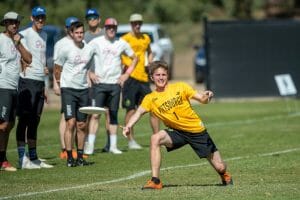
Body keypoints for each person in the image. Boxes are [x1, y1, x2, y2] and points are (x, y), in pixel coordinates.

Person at [122, 61, 233, 189]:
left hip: (197, 131)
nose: (161, 77)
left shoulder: (180, 86)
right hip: (177, 132)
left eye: (163, 74)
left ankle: (224, 174)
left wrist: (207, 96)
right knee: (155, 138)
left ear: (167, 75)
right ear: (152, 77)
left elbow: (202, 99)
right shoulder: (150, 98)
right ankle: (155, 181)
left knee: (220, 167)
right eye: (157, 75)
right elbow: (139, 112)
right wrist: (128, 126)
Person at [89, 18, 138, 154]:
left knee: (113, 115)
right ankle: (91, 146)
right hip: (99, 84)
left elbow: (135, 58)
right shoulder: (96, 42)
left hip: (115, 84)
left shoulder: (121, 43)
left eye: (114, 27)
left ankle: (113, 146)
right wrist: (90, 72)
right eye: (109, 27)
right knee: (95, 115)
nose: (111, 29)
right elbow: (84, 56)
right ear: (105, 28)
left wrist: (126, 74)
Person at [16, 6, 53, 169]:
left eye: (42, 17)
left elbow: (42, 60)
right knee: (24, 120)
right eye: (37, 17)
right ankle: (22, 159)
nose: (40, 20)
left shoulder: (44, 35)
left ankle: (33, 157)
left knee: (35, 121)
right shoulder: (25, 34)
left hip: (39, 82)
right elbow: (19, 54)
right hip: (27, 81)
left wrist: (44, 83)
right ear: (32, 18)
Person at [54, 21, 94, 167]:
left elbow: (88, 67)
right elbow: (57, 68)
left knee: (82, 124)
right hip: (68, 90)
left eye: (81, 32)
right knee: (70, 123)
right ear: (71, 33)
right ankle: (70, 156)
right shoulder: (65, 49)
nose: (79, 35)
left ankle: (81, 157)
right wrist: (60, 85)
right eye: (76, 33)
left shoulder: (89, 49)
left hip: (83, 90)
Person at [121, 13, 159, 150]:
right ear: (131, 24)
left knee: (153, 108)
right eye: (135, 23)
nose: (137, 25)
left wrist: (150, 62)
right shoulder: (125, 39)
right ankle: (131, 141)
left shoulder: (146, 38)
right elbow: (119, 55)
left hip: (143, 78)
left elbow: (150, 52)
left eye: (139, 23)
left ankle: (157, 137)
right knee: (131, 110)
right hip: (130, 78)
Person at [0, 11, 32, 172]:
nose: (14, 25)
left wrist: (18, 44)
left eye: (17, 22)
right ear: (5, 24)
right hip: (2, 87)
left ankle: (2, 160)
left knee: (9, 124)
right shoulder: (0, 39)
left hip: (14, 88)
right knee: (3, 125)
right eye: (11, 22)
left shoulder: (17, 41)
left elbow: (29, 59)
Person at [53, 16, 83, 160]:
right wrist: (56, 83)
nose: (75, 31)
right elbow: (56, 65)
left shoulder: (83, 44)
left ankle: (77, 151)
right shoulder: (61, 44)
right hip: (67, 86)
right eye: (71, 27)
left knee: (78, 121)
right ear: (68, 30)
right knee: (67, 119)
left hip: (80, 87)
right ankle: (65, 149)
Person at [83, 8, 110, 155]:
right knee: (90, 113)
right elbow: (82, 57)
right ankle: (87, 142)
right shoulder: (84, 36)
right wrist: (89, 73)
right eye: (89, 18)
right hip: (90, 80)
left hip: (106, 79)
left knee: (107, 112)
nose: (92, 19)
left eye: (94, 17)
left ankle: (109, 144)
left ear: (99, 19)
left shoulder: (106, 35)